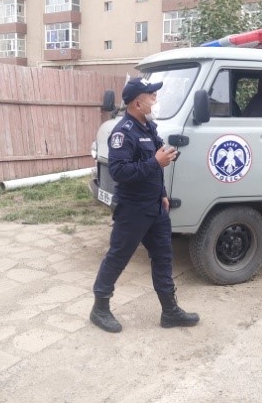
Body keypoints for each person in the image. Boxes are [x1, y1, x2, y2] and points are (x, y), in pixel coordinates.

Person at [90, 77, 200, 333]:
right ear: (137, 103)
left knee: (163, 257)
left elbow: (155, 163)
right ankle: (99, 308)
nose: (155, 100)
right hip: (133, 209)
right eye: (151, 96)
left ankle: (170, 311)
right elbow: (119, 171)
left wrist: (162, 191)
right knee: (118, 257)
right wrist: (155, 162)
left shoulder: (148, 127)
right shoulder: (123, 132)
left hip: (155, 207)